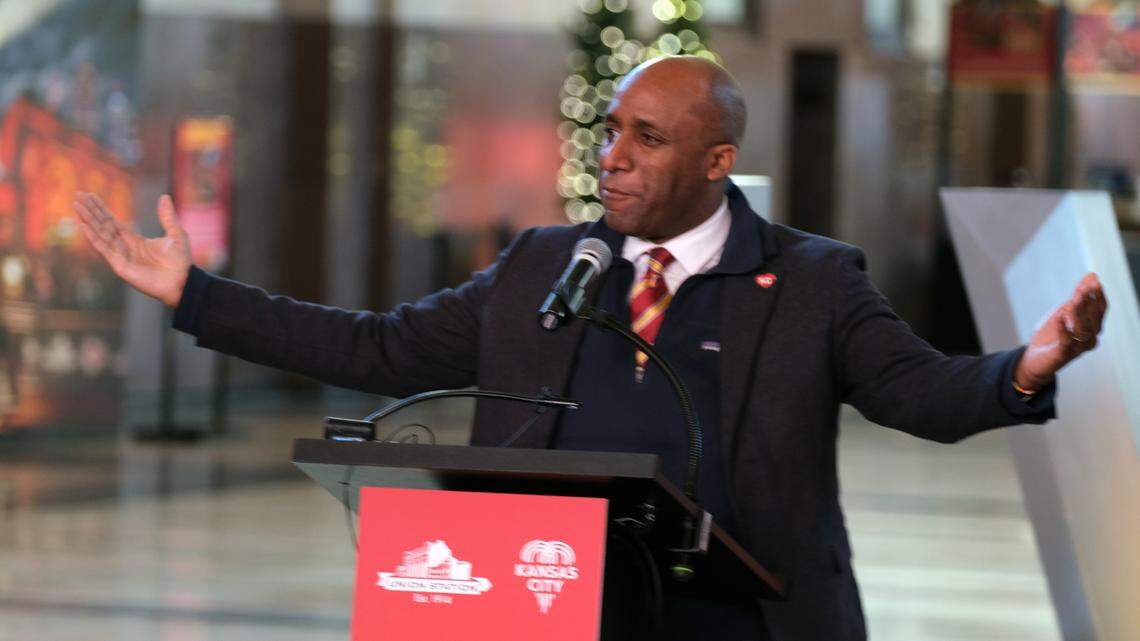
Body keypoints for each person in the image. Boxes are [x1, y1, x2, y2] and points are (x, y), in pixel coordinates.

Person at [74, 56, 1107, 641]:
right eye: (611, 131)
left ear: (718, 160)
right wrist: (197, 295)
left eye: (646, 140)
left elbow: (919, 392)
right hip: (543, 603)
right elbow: (382, 349)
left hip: (745, 619)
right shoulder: (541, 264)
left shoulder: (811, 278)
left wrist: (1029, 362)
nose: (613, 156)